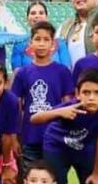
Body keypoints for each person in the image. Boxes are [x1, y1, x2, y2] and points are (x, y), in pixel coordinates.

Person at [11, 21, 74, 167]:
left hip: (55, 136)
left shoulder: (62, 72)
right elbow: (17, 107)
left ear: (53, 44)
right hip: (30, 136)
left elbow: (67, 104)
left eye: (46, 40)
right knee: (31, 179)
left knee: (55, 179)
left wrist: (67, 133)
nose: (41, 44)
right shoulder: (22, 73)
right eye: (37, 39)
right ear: (30, 43)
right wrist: (15, 136)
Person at [10, 2, 70, 70]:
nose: (37, 16)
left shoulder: (60, 43)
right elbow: (17, 72)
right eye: (33, 13)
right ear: (27, 18)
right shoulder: (19, 43)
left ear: (47, 17)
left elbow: (66, 70)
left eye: (41, 13)